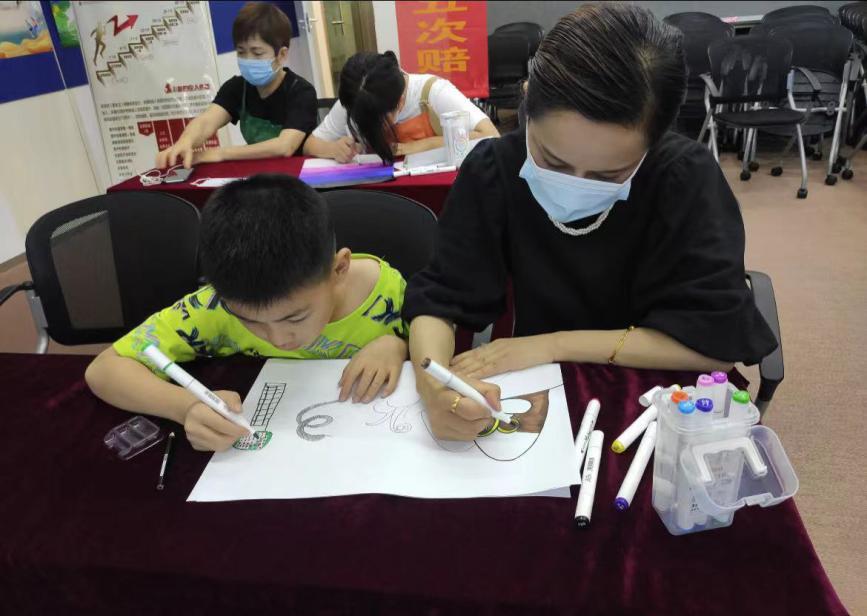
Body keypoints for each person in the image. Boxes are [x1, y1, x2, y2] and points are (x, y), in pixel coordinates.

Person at [402, 4, 778, 441]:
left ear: (653, 141)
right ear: (528, 100)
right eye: (552, 160)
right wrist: (433, 387)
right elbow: (440, 298)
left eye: (608, 175)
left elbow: (714, 347)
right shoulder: (494, 169)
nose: (575, 184)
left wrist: (550, 344)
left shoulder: (684, 178)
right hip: (540, 386)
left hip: (660, 396)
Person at [85, 175, 409, 452]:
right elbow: (104, 369)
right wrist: (185, 407)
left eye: (294, 318)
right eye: (250, 321)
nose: (278, 339)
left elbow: (433, 343)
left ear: (338, 270)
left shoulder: (387, 294)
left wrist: (398, 345)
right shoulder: (215, 306)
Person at [155, 2, 317, 169]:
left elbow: (284, 146)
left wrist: (221, 153)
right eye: (241, 52)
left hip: (299, 174)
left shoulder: (301, 91)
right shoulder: (237, 88)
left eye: (257, 53)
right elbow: (207, 121)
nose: (248, 59)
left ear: (281, 55)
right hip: (258, 173)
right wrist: (185, 142)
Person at [304, 51, 500, 163]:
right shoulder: (356, 99)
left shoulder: (434, 92)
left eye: (378, 119)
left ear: (399, 102)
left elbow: (490, 135)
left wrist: (420, 146)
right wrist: (333, 149)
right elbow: (310, 144)